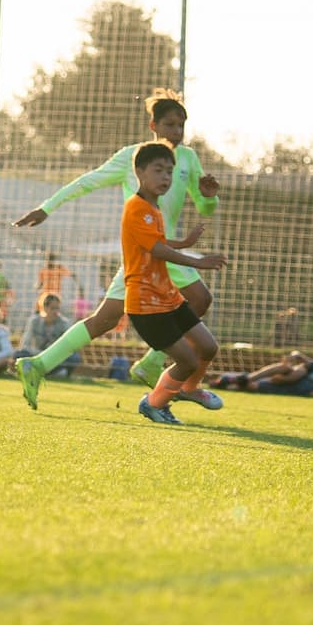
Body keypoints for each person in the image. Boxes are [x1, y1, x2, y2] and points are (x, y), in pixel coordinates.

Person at [13, 89, 222, 403]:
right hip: (148, 251)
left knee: (106, 319)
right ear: (153, 126)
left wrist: (208, 197)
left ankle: (39, 364)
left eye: (181, 125)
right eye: (169, 124)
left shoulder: (188, 159)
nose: (176, 131)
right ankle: (152, 365)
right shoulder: (133, 157)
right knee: (199, 297)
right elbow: (88, 181)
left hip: (161, 251)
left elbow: (205, 207)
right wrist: (47, 207)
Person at [118, 142, 229, 425]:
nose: (166, 177)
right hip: (146, 305)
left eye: (169, 171)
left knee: (208, 348)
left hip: (167, 297)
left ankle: (189, 389)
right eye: (158, 170)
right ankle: (154, 404)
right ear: (139, 172)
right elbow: (157, 250)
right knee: (188, 361)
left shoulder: (153, 208)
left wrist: (185, 242)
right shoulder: (136, 207)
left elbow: (156, 241)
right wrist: (198, 261)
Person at [21, 292, 78, 378]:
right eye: (52, 308)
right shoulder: (34, 321)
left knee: (75, 357)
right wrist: (40, 354)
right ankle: (52, 372)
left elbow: (69, 346)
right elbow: (25, 344)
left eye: (57, 308)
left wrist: (53, 355)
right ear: (44, 308)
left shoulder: (64, 323)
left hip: (56, 357)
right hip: (38, 355)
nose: (55, 311)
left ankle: (43, 372)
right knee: (20, 354)